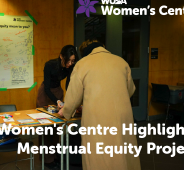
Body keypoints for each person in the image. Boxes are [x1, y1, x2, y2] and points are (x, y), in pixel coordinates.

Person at [58, 41, 141, 170]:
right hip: (122, 116)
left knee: (99, 154)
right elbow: (130, 90)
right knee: (122, 150)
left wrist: (66, 111)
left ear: (84, 52)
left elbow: (73, 98)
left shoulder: (82, 65)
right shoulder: (121, 62)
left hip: (98, 118)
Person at [36, 45, 78, 169]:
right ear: (61, 56)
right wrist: (58, 101)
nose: (69, 63)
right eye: (68, 60)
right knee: (45, 128)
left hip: (58, 92)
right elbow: (47, 88)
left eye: (72, 61)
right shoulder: (49, 65)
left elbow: (69, 84)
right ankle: (46, 159)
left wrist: (70, 101)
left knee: (56, 127)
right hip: (45, 94)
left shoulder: (70, 66)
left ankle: (54, 155)